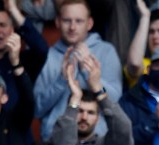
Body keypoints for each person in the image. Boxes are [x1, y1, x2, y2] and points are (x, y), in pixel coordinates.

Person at [33, 0, 123, 135]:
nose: (72, 27)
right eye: (67, 21)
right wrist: (61, 81)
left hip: (95, 143)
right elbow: (37, 109)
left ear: (89, 23)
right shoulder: (48, 56)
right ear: (57, 22)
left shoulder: (106, 51)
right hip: (56, 142)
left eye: (79, 21)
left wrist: (90, 76)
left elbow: (114, 99)